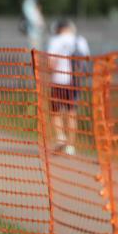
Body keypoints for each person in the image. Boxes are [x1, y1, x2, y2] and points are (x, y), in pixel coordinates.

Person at [46, 19, 90, 155]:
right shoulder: (80, 40)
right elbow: (86, 61)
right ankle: (70, 146)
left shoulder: (55, 41)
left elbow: (50, 64)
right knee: (72, 113)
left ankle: (61, 136)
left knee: (55, 111)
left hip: (58, 80)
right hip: (75, 81)